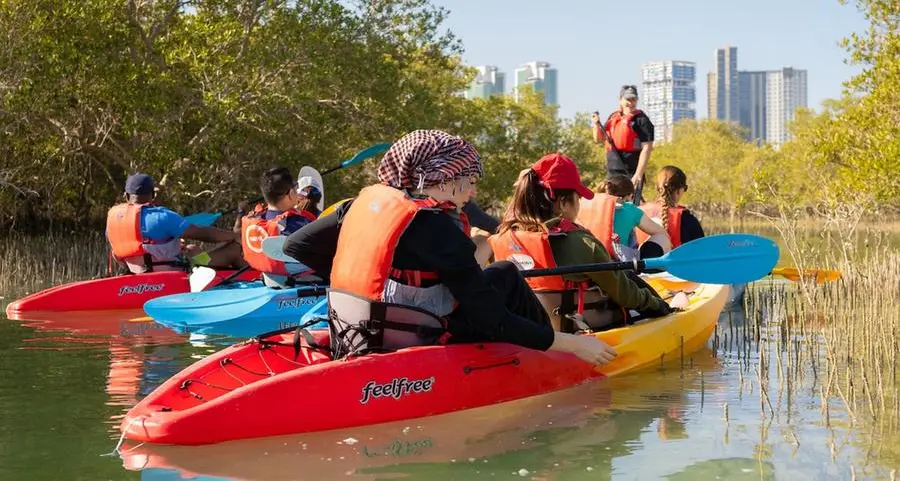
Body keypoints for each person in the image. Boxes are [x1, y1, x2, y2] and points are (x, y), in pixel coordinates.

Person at [284, 129, 617, 365]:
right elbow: (492, 318)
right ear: (444, 178)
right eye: (469, 181)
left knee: (499, 272)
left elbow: (296, 246)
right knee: (506, 276)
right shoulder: (441, 230)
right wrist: (571, 344)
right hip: (422, 331)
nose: (471, 192)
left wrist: (361, 271)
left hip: (360, 326)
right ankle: (547, 357)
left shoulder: (359, 205)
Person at [490, 153, 672, 332]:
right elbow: (626, 295)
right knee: (631, 282)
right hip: (579, 332)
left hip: (529, 333)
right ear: (562, 203)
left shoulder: (505, 236)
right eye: (577, 197)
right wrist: (660, 307)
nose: (579, 203)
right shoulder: (582, 243)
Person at [106, 173, 244, 274]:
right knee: (233, 249)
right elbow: (206, 234)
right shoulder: (161, 216)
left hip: (137, 275)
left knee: (191, 248)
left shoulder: (113, 220)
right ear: (153, 195)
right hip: (177, 272)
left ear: (126, 196)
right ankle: (252, 278)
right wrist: (235, 236)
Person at [239, 167, 321, 286]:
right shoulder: (302, 222)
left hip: (268, 274)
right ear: (290, 193)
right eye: (294, 187)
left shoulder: (256, 219)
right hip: (300, 278)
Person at [591, 85, 654, 205]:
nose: (631, 103)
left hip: (631, 173)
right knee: (611, 205)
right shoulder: (613, 117)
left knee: (629, 205)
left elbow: (647, 148)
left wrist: (638, 175)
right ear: (621, 100)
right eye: (628, 99)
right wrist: (596, 124)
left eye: (633, 99)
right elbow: (598, 138)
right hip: (612, 173)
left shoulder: (642, 121)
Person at [635, 165, 705, 258]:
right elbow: (702, 249)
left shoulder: (639, 211)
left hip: (641, 268)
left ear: (657, 188)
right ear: (679, 191)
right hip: (675, 269)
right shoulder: (685, 217)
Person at [601, 174, 669, 261]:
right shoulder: (629, 209)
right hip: (621, 260)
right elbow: (661, 232)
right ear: (630, 196)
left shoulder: (591, 206)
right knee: (662, 237)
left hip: (593, 256)